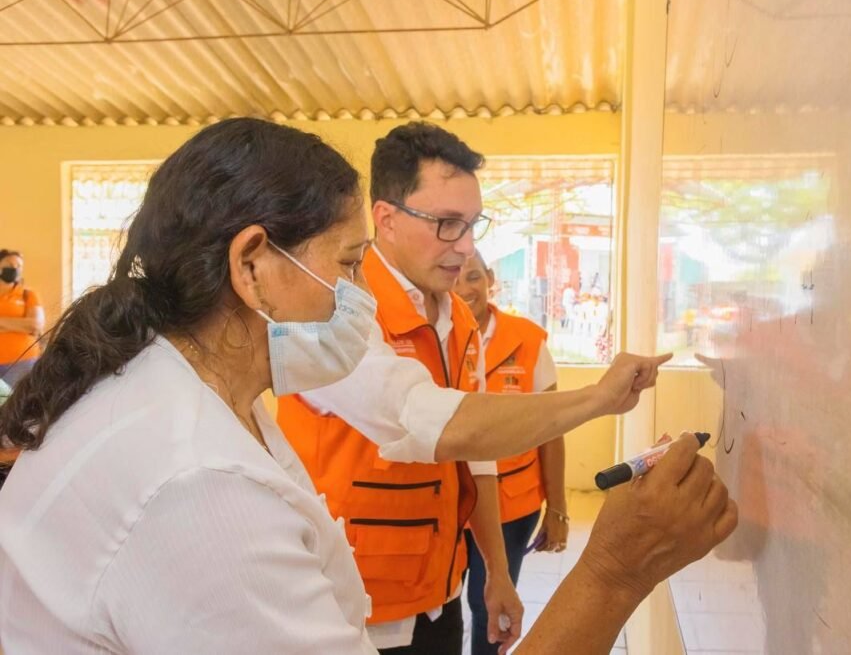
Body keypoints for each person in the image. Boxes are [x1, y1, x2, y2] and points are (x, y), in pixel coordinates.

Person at [0, 118, 737, 654]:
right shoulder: (197, 486)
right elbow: (427, 418)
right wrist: (613, 573)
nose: (357, 296)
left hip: (429, 584)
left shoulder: (196, 395)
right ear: (253, 264)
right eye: (349, 265)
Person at [277, 123, 520, 654]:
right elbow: (419, 417)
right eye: (447, 224)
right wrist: (593, 401)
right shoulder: (335, 309)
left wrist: (495, 573)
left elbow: (478, 456)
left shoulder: (459, 318)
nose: (465, 247)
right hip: (356, 607)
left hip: (441, 591)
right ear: (385, 218)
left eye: (473, 225)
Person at [454, 250, 566, 655]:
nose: (464, 289)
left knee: (491, 609)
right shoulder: (433, 337)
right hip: (446, 504)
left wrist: (558, 508)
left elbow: (553, 430)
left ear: (490, 278)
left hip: (509, 509)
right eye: (454, 279)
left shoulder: (528, 340)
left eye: (473, 277)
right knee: (443, 607)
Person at [0, 249, 45, 386]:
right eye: (9, 264)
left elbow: (35, 325)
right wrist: (20, 324)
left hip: (22, 362)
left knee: (21, 404)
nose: (14, 268)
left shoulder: (28, 294)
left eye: (18, 266)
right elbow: (28, 325)